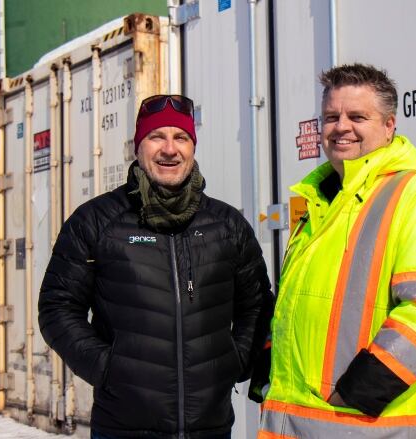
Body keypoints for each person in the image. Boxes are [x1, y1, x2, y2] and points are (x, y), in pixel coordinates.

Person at [256, 64, 416, 438]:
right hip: (296, 423)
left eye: (358, 116)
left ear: (389, 125)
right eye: (331, 116)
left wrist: (359, 392)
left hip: (370, 426)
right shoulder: (322, 201)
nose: (341, 126)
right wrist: (269, 368)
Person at [38, 94, 274, 439]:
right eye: (156, 137)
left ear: (192, 146)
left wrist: (233, 361)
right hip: (122, 427)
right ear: (138, 147)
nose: (169, 149)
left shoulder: (226, 225)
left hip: (210, 427)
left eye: (181, 137)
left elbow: (256, 303)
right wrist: (108, 368)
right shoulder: (96, 221)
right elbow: (57, 308)